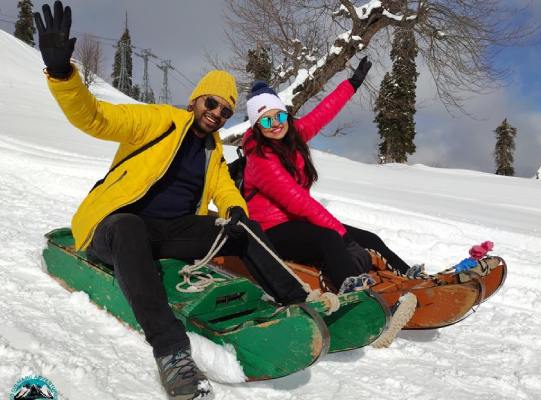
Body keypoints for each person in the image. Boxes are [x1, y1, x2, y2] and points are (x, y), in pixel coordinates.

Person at [34, 2, 314, 399]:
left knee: (240, 227)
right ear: (196, 101)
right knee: (130, 226)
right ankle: (171, 353)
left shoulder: (212, 150)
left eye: (226, 110)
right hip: (114, 227)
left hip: (167, 234)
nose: (217, 113)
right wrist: (63, 74)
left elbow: (224, 188)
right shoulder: (157, 120)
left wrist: (235, 209)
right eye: (212, 103)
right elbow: (94, 117)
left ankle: (299, 302)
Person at [242, 57, 418, 344]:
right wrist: (339, 232)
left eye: (279, 116)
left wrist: (352, 83)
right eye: (266, 120)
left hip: (296, 223)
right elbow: (300, 202)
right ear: (256, 125)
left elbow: (324, 112)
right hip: (271, 230)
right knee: (329, 238)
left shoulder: (293, 136)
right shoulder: (261, 160)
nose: (275, 124)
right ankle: (360, 308)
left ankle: (414, 282)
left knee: (369, 238)